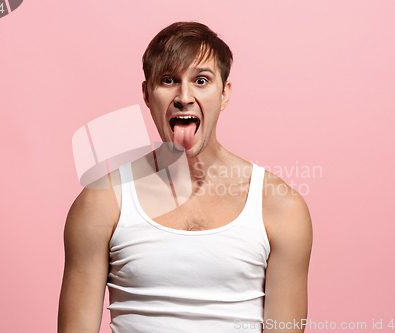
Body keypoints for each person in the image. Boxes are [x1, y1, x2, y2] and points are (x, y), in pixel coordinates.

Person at [58, 21, 312, 333]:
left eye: (201, 80)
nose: (184, 96)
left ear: (224, 94)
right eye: (168, 80)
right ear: (147, 95)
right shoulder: (101, 201)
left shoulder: (279, 205)